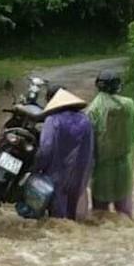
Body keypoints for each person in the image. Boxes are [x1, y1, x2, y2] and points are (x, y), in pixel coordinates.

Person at [33, 88, 94, 220]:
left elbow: (46, 148)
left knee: (57, 214)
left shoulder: (52, 120)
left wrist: (37, 168)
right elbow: (90, 148)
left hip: (57, 173)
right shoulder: (86, 120)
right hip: (80, 173)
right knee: (72, 210)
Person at [87, 70, 134, 218]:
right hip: (124, 167)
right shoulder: (129, 105)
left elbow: (88, 140)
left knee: (100, 215)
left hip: (101, 170)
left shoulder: (93, 109)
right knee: (125, 212)